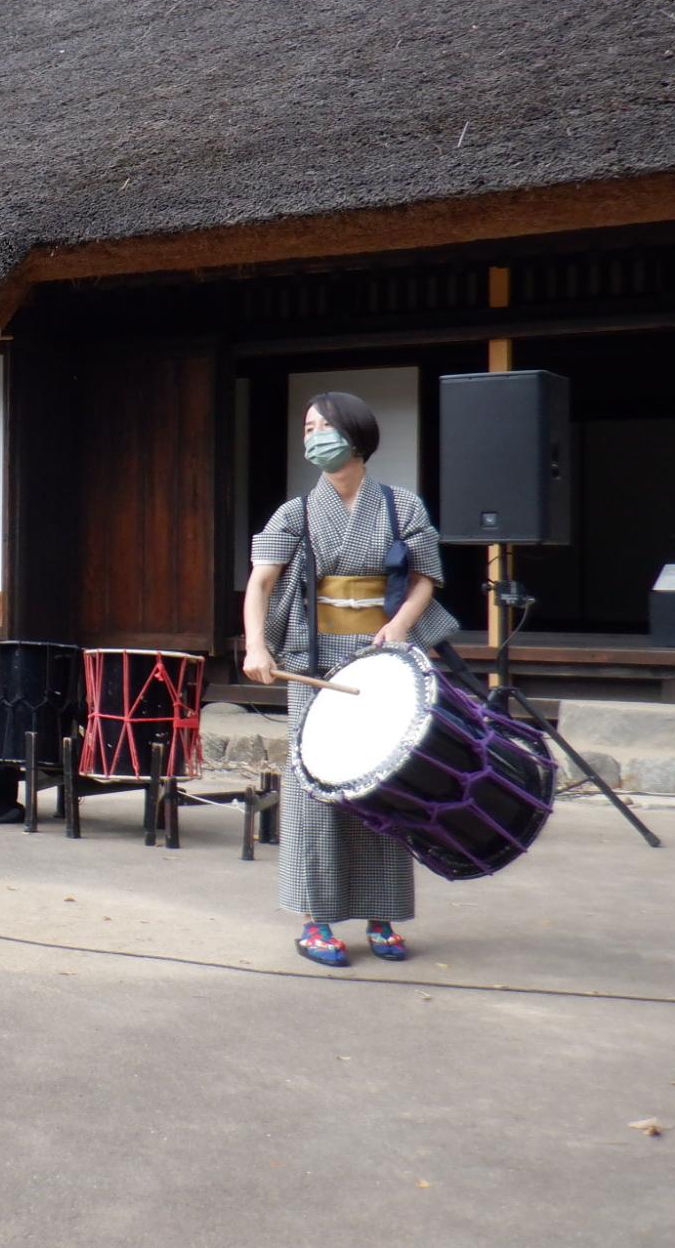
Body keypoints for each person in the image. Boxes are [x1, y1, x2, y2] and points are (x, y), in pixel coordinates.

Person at [241, 392, 457, 967]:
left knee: (384, 780)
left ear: (354, 434)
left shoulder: (401, 506)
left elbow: (424, 579)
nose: (312, 437)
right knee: (317, 786)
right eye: (306, 428)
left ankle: (381, 913)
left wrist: (399, 628)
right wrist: (258, 645)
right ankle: (316, 918)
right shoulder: (296, 512)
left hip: (382, 658)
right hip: (312, 663)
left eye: (322, 427)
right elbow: (260, 583)